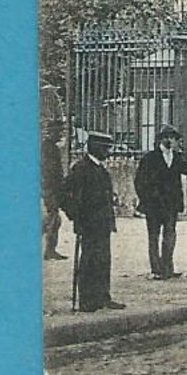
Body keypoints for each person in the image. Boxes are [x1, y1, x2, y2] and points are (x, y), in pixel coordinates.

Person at [132, 123, 187, 280]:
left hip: (170, 205)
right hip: (154, 205)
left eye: (172, 138)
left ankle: (168, 268)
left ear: (176, 141)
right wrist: (146, 198)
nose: (169, 141)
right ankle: (156, 269)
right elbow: (139, 181)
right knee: (153, 236)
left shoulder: (176, 157)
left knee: (170, 235)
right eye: (166, 137)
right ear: (160, 140)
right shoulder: (150, 158)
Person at [61, 130, 122, 311]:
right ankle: (87, 301)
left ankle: (103, 297)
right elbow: (64, 194)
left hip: (103, 222)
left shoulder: (100, 168)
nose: (108, 152)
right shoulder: (81, 168)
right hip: (88, 223)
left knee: (103, 259)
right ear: (94, 147)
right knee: (89, 260)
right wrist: (75, 215)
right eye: (105, 148)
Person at [42, 116, 68, 260]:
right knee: (53, 219)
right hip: (49, 189)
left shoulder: (51, 147)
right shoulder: (47, 148)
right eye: (59, 132)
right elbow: (49, 172)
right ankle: (49, 250)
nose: (61, 135)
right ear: (51, 132)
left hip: (51, 188)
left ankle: (50, 249)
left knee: (52, 219)